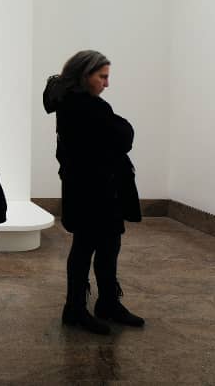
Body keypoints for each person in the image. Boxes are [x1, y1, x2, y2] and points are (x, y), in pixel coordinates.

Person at [43, 50, 144, 335]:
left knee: (103, 244)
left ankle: (103, 303)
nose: (106, 84)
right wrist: (120, 128)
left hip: (90, 188)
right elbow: (124, 136)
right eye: (102, 77)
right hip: (94, 190)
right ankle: (78, 308)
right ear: (85, 75)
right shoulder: (85, 107)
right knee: (89, 246)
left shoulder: (70, 103)